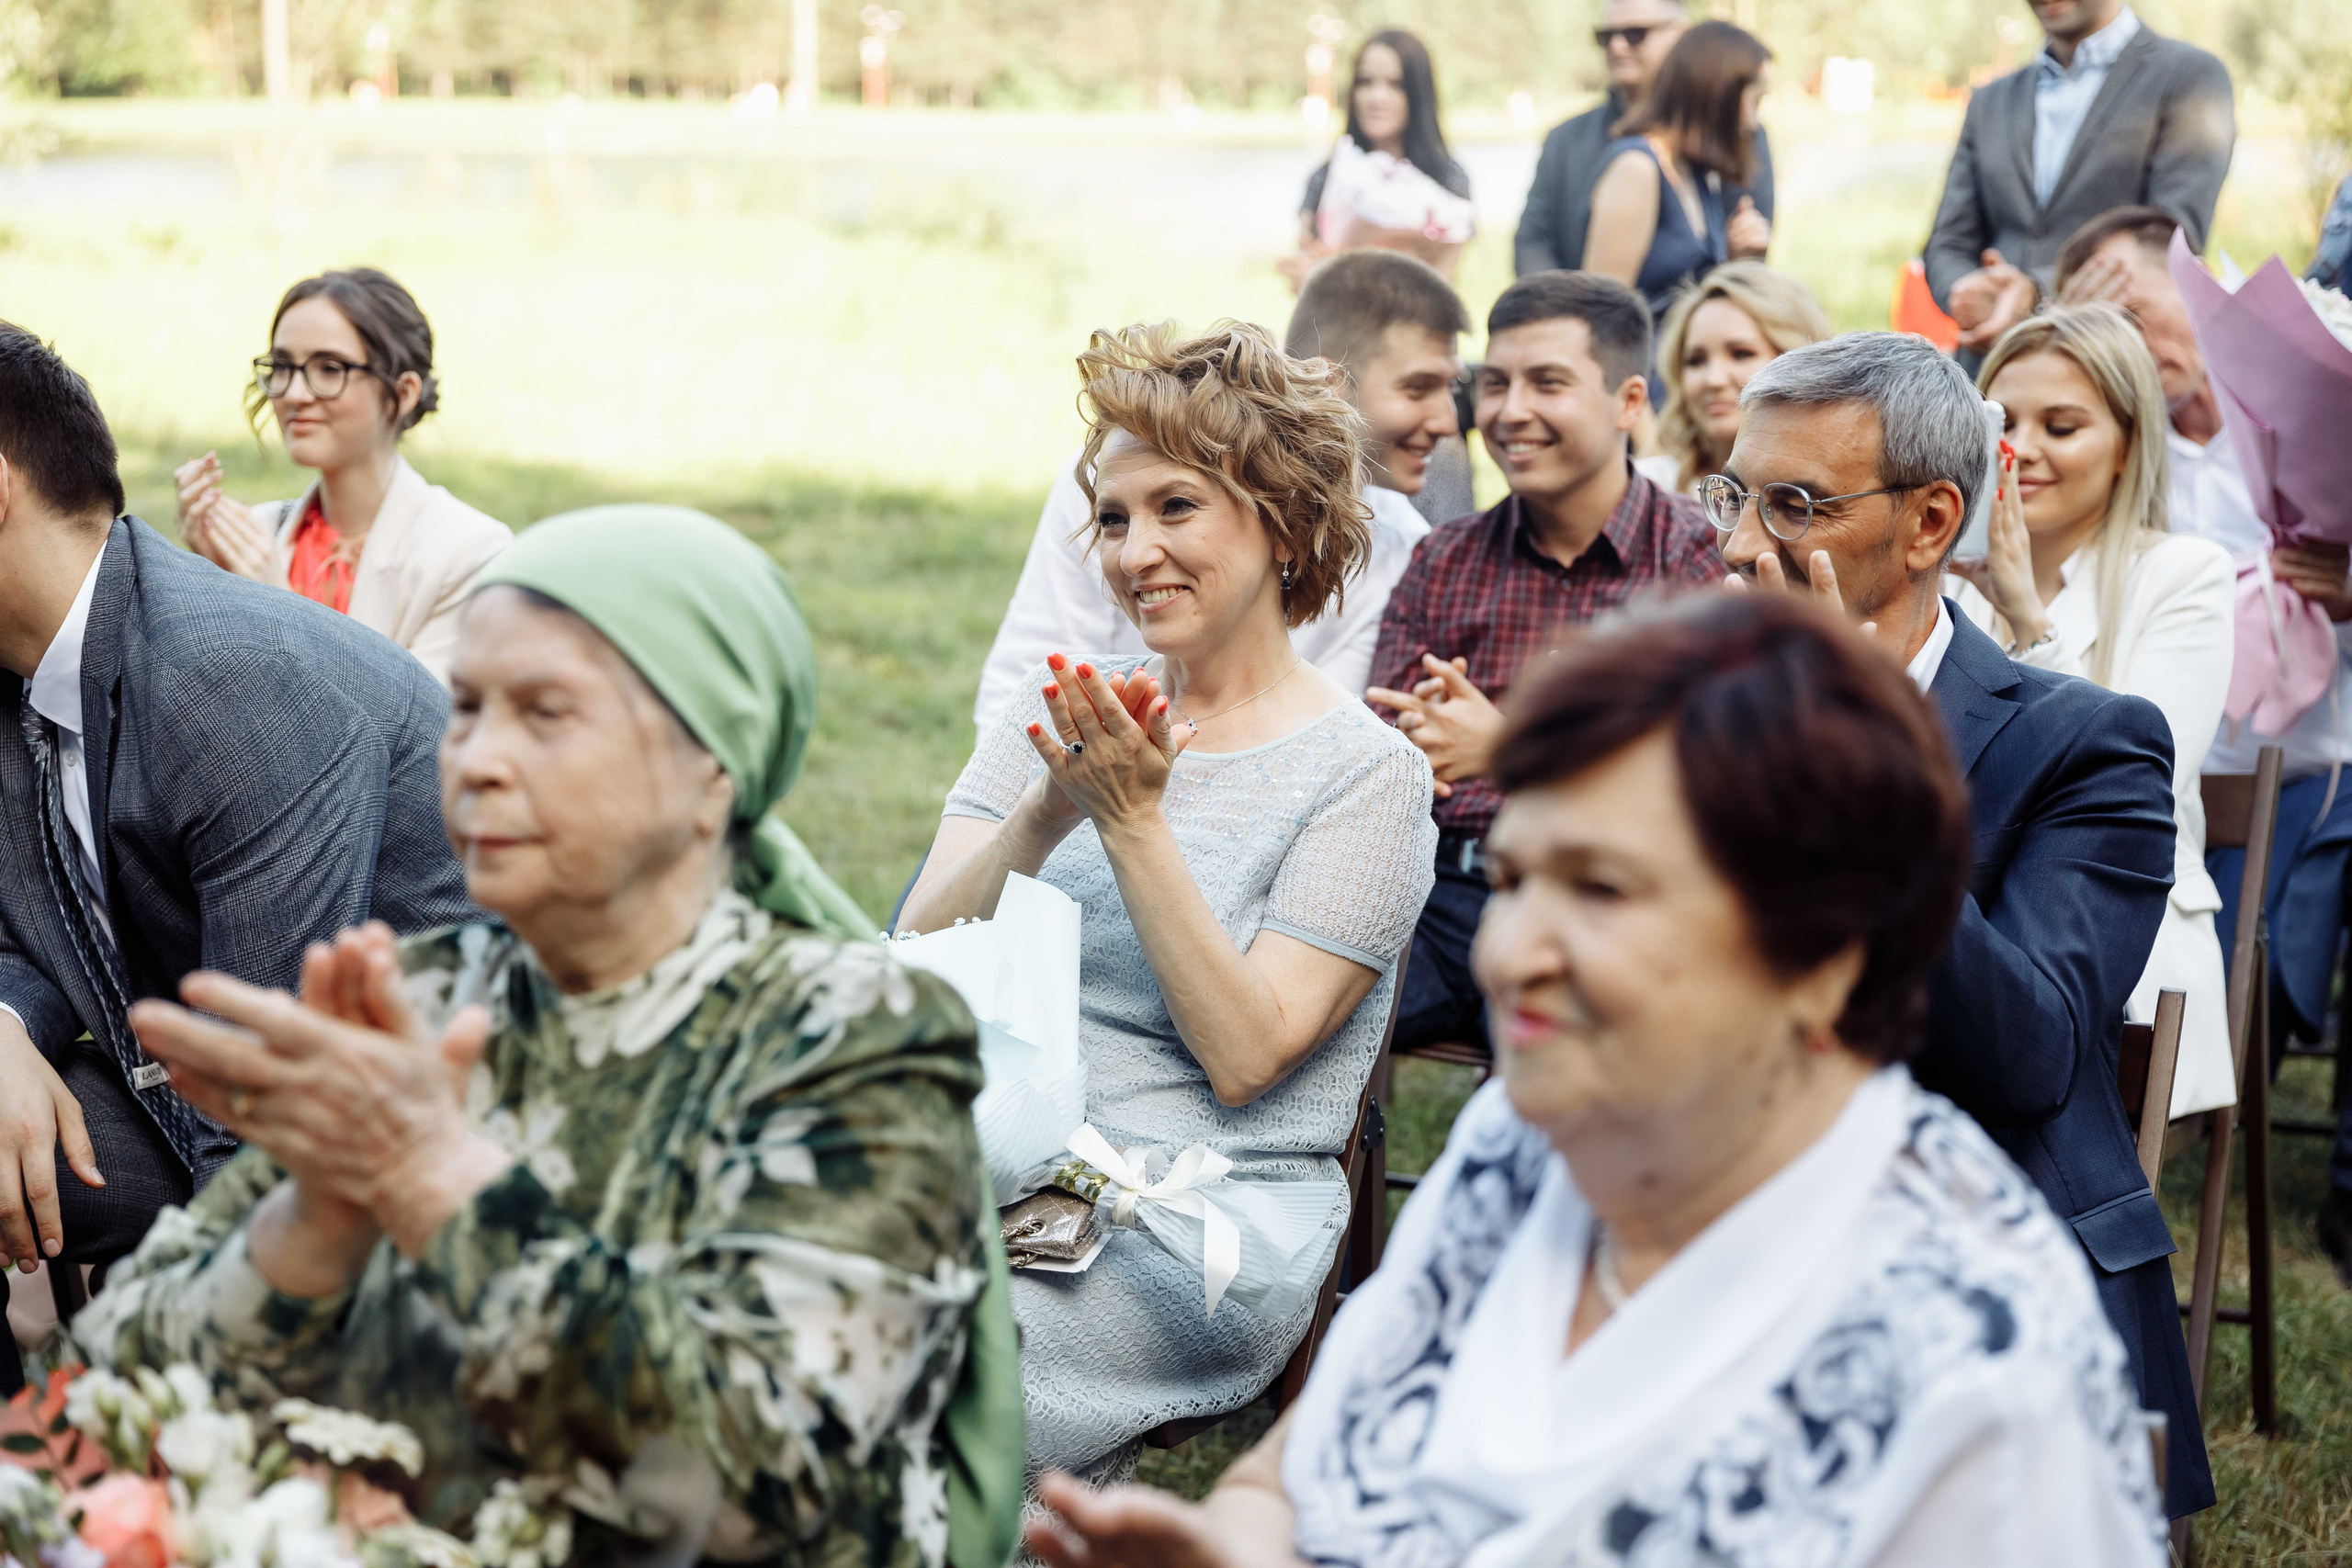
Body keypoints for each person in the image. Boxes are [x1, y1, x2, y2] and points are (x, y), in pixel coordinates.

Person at [1023, 592, 2169, 1568]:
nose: (1514, 951)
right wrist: (1241, 1543)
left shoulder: (1962, 1354)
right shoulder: (1527, 1150)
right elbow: (1298, 1471)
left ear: (1821, 960)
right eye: (1515, 878)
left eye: (1606, 892)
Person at [85, 506, 1024, 1568]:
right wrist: (319, 1215)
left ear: (714, 765)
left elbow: (757, 1482)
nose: (478, 760)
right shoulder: (425, 1003)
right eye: (468, 709)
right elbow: (126, 1384)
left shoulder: (858, 1040)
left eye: (545, 714)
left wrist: (430, 1176)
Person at [903, 323, 1435, 1478]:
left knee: (916, 1361)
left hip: (1189, 1213)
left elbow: (1248, 1057)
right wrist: (1046, 811)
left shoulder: (1367, 778)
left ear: (1284, 521)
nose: (1134, 550)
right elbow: (918, 960)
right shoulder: (1062, 718)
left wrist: (1133, 824)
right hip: (980, 1149)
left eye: (1175, 509)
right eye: (1110, 517)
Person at [1709, 330, 2213, 1518]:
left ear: (1933, 522)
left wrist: (1857, 767)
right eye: (1732, 493)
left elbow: (2031, 1052)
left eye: (1793, 505)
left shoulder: (2087, 742)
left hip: (1986, 1249)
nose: (1737, 544)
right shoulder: (1689, 708)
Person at [0, 323, 475, 1378]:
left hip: (404, 1156)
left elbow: (270, 1111)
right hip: (186, 1093)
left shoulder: (235, 681)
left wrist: (157, 1374)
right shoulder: (19, 667)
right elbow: (22, 917)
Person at [2057, 206, 2352, 1280]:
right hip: (2179, 770)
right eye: (2103, 320)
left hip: (2323, 749)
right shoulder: (2111, 454)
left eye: (2139, 306)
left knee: (2272, 961)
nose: (2134, 338)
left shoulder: (2291, 416)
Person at [1366, 272, 1720, 1055]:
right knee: (1304, 1027)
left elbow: (1701, 766)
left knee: (1570, 1073)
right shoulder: (1447, 556)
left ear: (1630, 402)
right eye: (1494, 384)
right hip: (1430, 893)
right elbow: (1390, 742)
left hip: (1595, 904)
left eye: (1547, 383)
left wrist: (1512, 748)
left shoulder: (1692, 559)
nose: (1510, 411)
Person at [972, 253, 1468, 732]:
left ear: (1287, 531)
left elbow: (1322, 743)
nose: (1448, 421)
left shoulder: (1402, 544)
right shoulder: (1116, 477)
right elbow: (1031, 672)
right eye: (1417, 388)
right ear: (1330, 382)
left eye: (1177, 508)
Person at [1950, 305, 2236, 1119]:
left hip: (2110, 946)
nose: (2024, 450)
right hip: (1961, 931)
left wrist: (2027, 617)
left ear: (2128, 446)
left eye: (2063, 426)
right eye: (2005, 423)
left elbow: (2143, 777)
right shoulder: (1949, 580)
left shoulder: (2183, 574)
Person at [171, 268, 512, 687]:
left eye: (329, 368)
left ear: (403, 393)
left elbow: (417, 736)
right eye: (282, 366)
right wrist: (201, 583)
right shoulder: (253, 535)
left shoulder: (470, 555)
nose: (294, 394)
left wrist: (281, 611)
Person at [1924, 0, 2235, 358]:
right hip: (1990, 371)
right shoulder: (1990, 99)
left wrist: (2035, 295)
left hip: (2110, 370)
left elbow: (2168, 240)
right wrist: (1970, 294)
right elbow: (1947, 242)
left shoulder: (2191, 78)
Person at [1514, 0, 1775, 278]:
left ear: (1681, 35)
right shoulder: (1605, 153)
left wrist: (1735, 261)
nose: (1617, 46)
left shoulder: (1696, 158)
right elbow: (1537, 247)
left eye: (1636, 34)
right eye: (1605, 36)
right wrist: (1556, 316)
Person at [1582, 21, 1775, 338]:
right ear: (1718, 95)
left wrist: (1734, 261)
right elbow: (1600, 318)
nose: (1754, 122)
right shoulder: (1637, 169)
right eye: (1754, 101)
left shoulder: (1692, 172)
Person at [1281, 30, 1473, 290]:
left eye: (1396, 85)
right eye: (1365, 82)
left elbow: (1446, 280)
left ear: (1418, 94)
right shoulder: (1326, 177)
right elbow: (1301, 266)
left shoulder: (1446, 177)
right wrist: (1302, 271)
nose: (1376, 98)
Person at [1653, 259, 1830, 494]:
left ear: (1796, 361)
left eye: (1741, 354)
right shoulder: (1652, 488)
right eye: (1695, 360)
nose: (1713, 380)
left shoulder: (1835, 494)